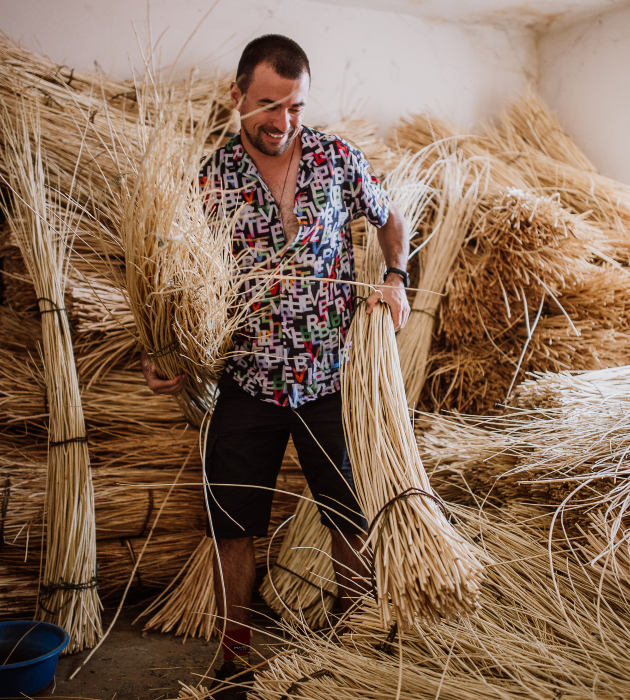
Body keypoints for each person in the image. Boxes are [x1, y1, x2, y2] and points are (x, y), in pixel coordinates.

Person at [142, 34, 410, 697]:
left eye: (295, 107)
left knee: (348, 515)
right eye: (268, 105)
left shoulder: (337, 159)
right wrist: (158, 345)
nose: (282, 122)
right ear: (238, 97)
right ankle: (236, 654)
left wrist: (397, 276)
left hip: (328, 377)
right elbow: (171, 273)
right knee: (233, 525)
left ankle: (358, 643)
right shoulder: (211, 177)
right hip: (248, 381)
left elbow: (390, 218)